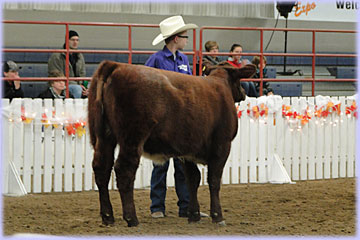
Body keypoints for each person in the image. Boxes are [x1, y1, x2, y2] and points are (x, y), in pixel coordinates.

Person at [145, 15, 208, 219]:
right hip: (161, 121)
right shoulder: (155, 60)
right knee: (160, 165)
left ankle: (186, 206)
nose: (187, 39)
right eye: (184, 36)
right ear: (175, 38)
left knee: (183, 166)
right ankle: (157, 207)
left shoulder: (183, 59)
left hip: (180, 121)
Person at [48, 30, 88, 98]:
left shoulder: (80, 55)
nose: (75, 42)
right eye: (73, 40)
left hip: (77, 84)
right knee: (77, 89)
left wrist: (84, 86)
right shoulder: (57, 56)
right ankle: (76, 107)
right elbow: (56, 75)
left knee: (93, 87)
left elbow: (82, 73)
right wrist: (78, 85)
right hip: (64, 84)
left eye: (77, 40)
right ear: (67, 40)